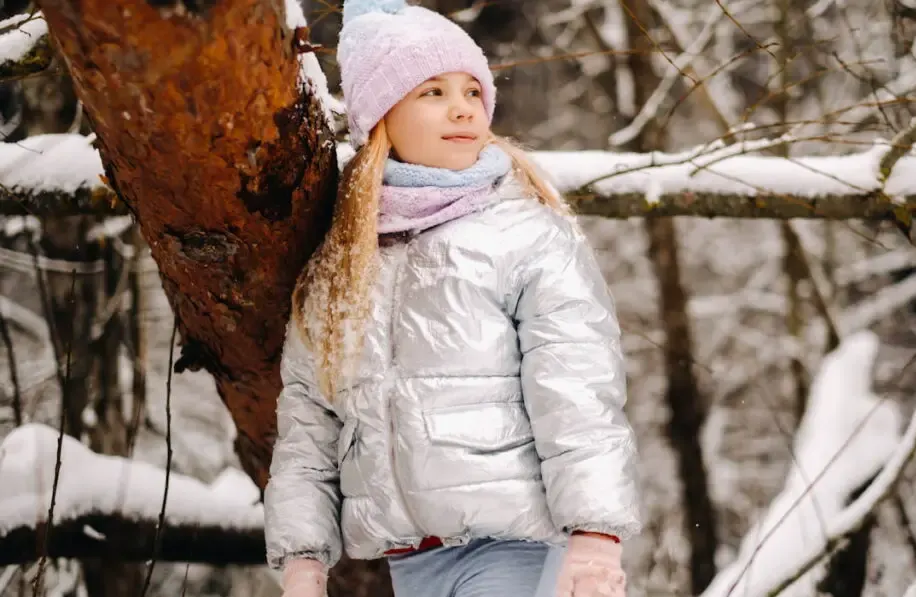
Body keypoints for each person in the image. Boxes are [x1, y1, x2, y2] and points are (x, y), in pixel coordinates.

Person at [263, 0, 642, 595]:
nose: (463, 107)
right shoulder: (342, 263)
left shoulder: (526, 236)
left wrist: (595, 534)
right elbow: (309, 422)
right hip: (413, 559)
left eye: (472, 90)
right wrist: (302, 558)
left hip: (521, 545)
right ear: (380, 115)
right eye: (432, 92)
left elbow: (576, 389)